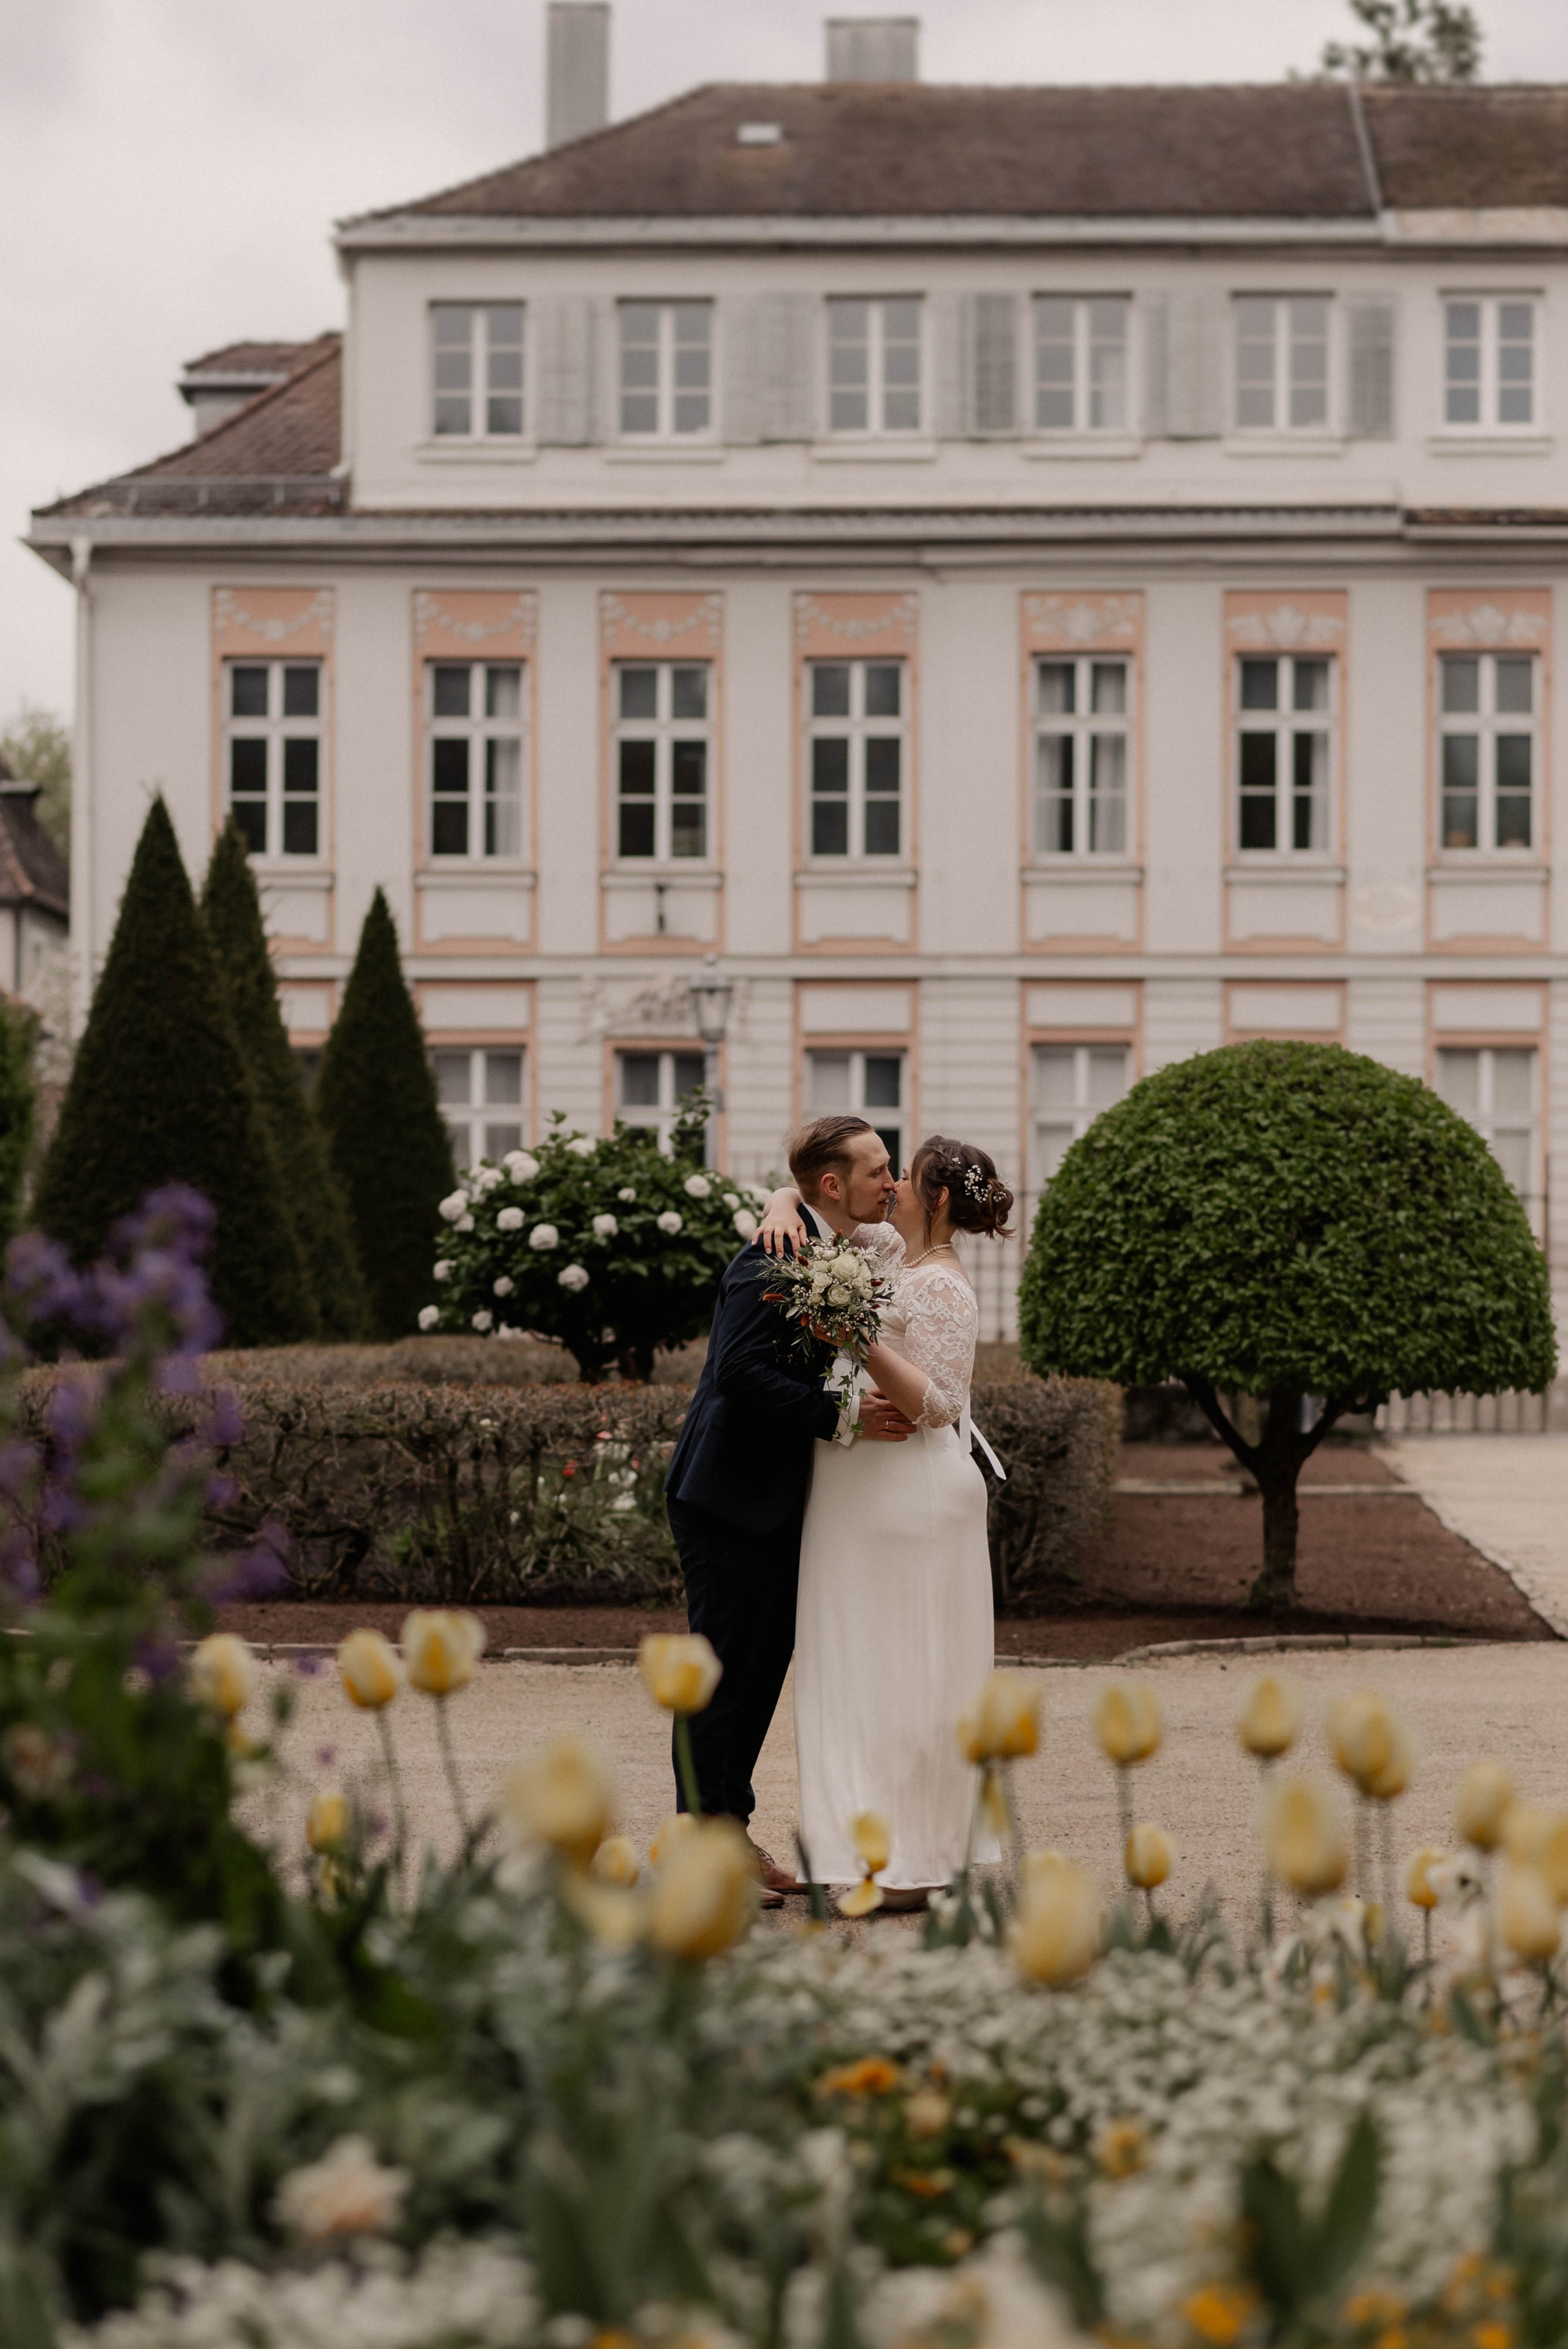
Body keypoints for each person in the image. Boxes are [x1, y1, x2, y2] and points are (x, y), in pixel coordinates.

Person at [757, 1137, 1015, 1910]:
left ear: (935, 1200)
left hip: (913, 1499)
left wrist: (858, 1335)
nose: (892, 1182)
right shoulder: (882, 1248)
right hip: (856, 1505)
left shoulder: (944, 1288)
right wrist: (777, 1201)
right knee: (853, 1671)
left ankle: (913, 1866)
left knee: (909, 1675)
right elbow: (801, 1207)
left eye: (907, 1176)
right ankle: (860, 1847)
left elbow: (938, 1404)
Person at [663, 1114, 916, 1899]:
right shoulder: (768, 1258)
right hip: (726, 1497)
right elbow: (737, 1373)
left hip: (773, 1502)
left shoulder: (826, 1240)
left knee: (758, 1672)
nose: (893, 1180)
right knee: (722, 1675)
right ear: (835, 1185)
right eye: (878, 1169)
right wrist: (841, 1416)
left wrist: (782, 1192)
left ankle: (727, 1832)